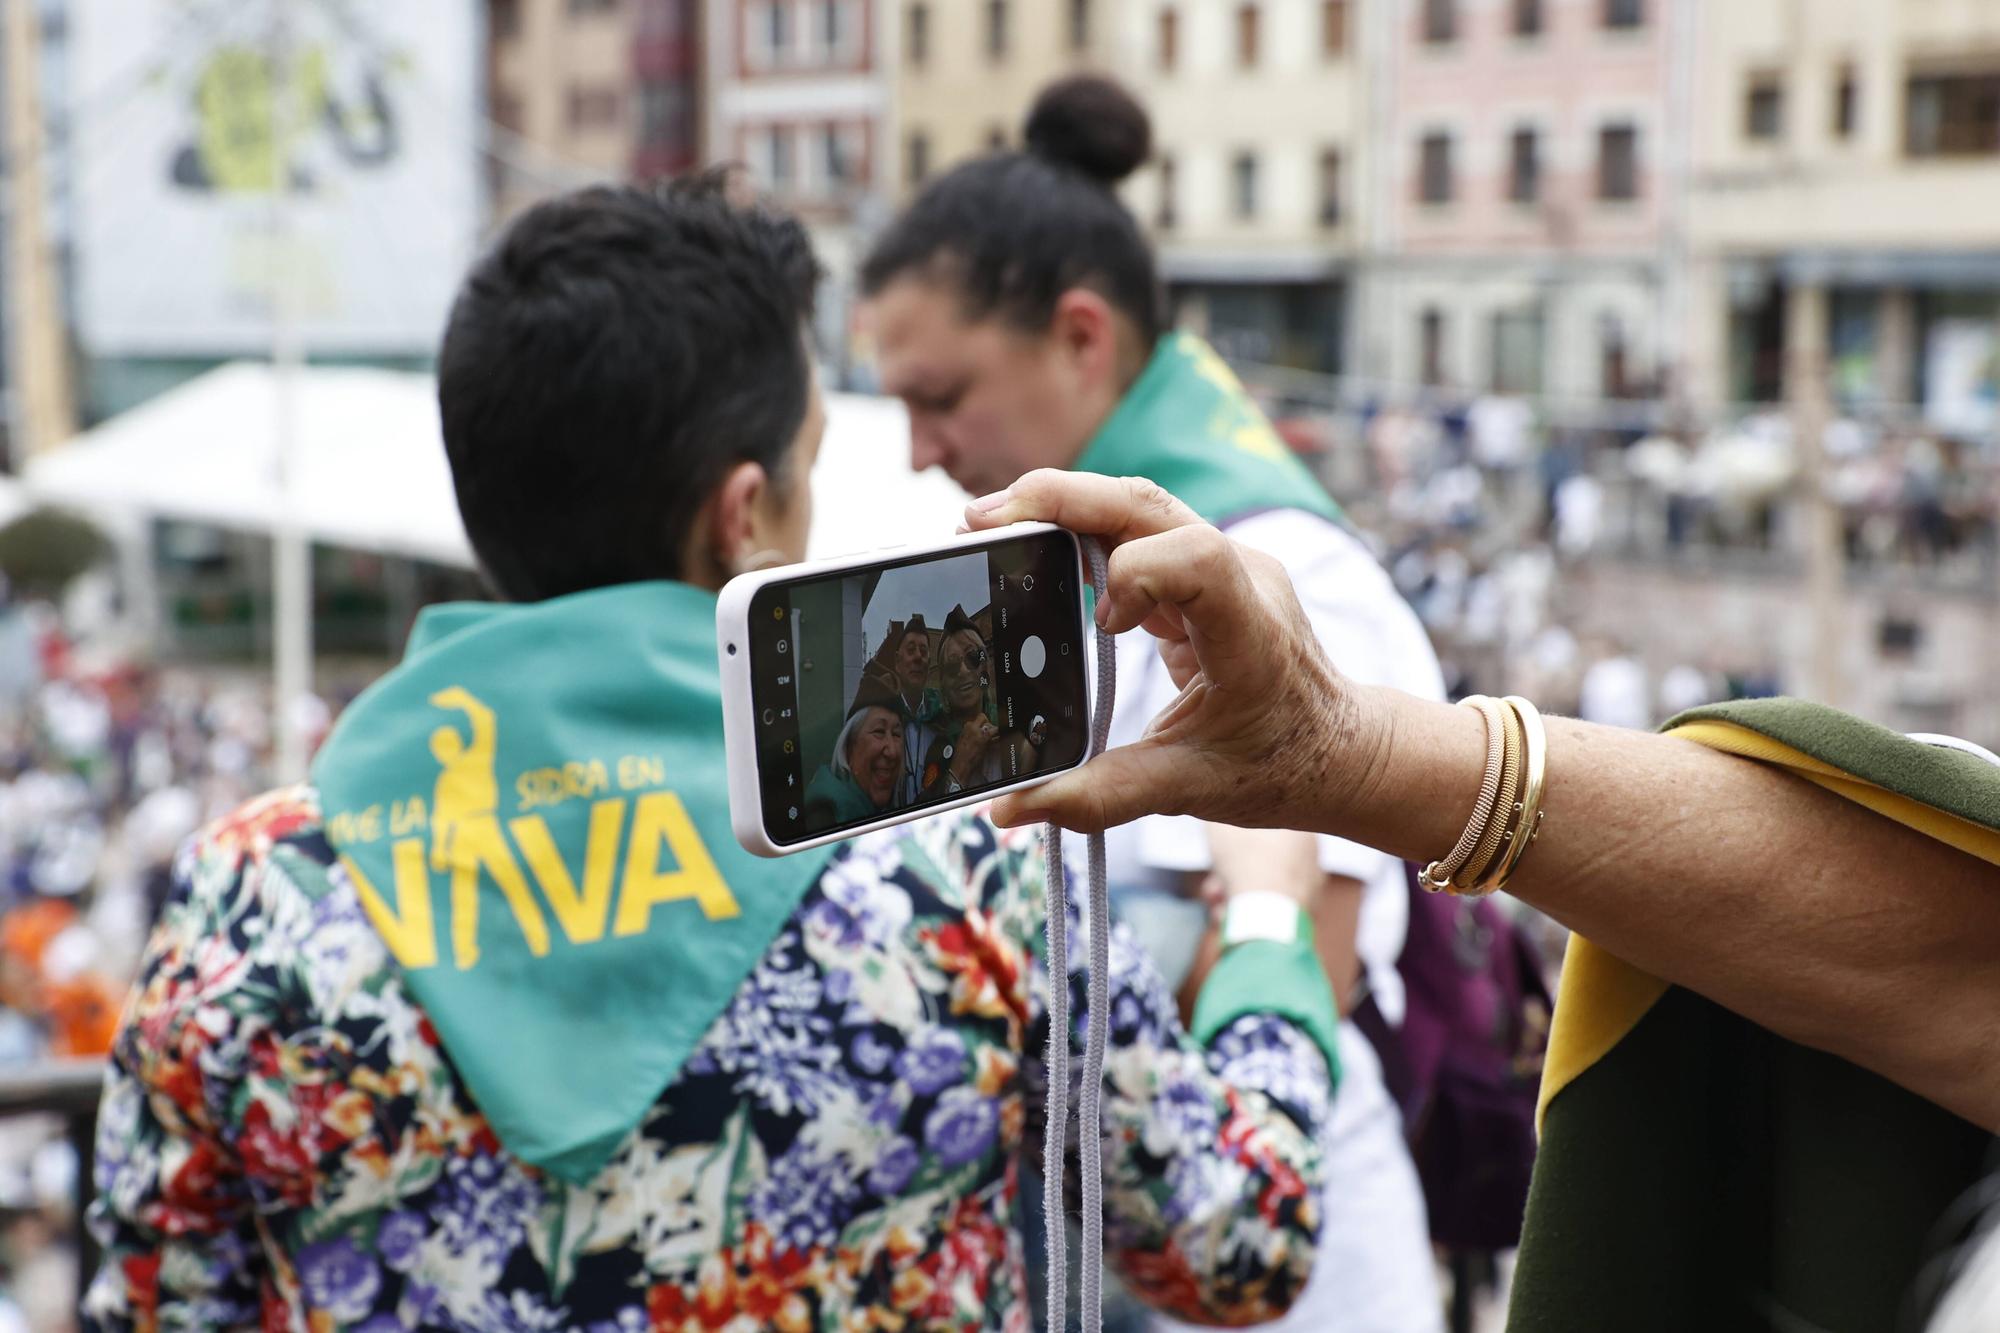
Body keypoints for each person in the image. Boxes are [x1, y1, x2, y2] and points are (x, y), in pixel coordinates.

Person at [80, 181, 1345, 1332]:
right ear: (742, 513)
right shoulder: (963, 864)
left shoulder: (244, 898)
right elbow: (1234, 1243)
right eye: (805, 472)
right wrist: (1270, 923)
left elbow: (156, 1307)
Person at [963, 468, 2000, 1333]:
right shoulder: (960, 906)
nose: (927, 450)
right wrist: (1271, 909)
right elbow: (1238, 1230)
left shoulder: (952, 877)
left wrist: (1340, 750)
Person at [863, 75, 1447, 1332]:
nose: (916, 445)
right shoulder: (1051, 584)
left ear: (1081, 336)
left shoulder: (1288, 584)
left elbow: (1314, 961)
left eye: (940, 393)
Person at [804, 686, 908, 824]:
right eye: (879, 731)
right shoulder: (824, 818)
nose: (893, 752)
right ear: (849, 747)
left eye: (896, 734)